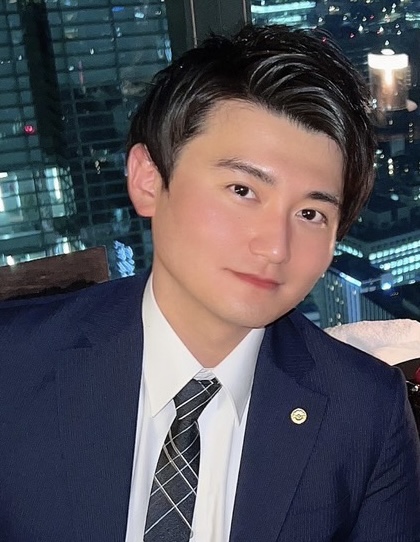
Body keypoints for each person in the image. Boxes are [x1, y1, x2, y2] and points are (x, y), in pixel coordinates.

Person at [0, 24, 419, 542]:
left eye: (311, 214)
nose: (275, 247)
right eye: (242, 190)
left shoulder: (366, 412)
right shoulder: (14, 363)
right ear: (148, 179)